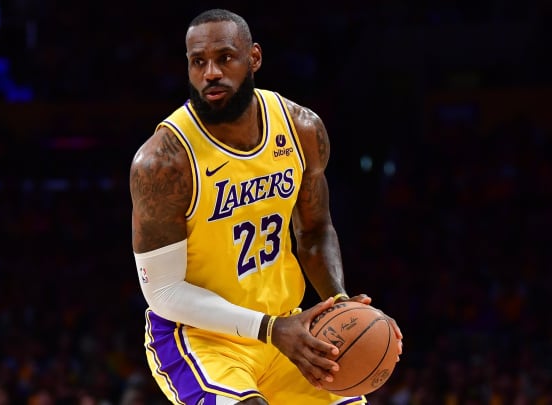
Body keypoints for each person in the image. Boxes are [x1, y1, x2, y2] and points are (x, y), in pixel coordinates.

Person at [129, 8, 403, 405]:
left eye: (224, 58)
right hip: (198, 337)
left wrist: (340, 300)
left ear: (253, 58)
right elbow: (165, 292)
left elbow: (314, 231)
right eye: (198, 62)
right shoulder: (163, 162)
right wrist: (271, 328)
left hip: (286, 323)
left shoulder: (301, 129)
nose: (210, 73)